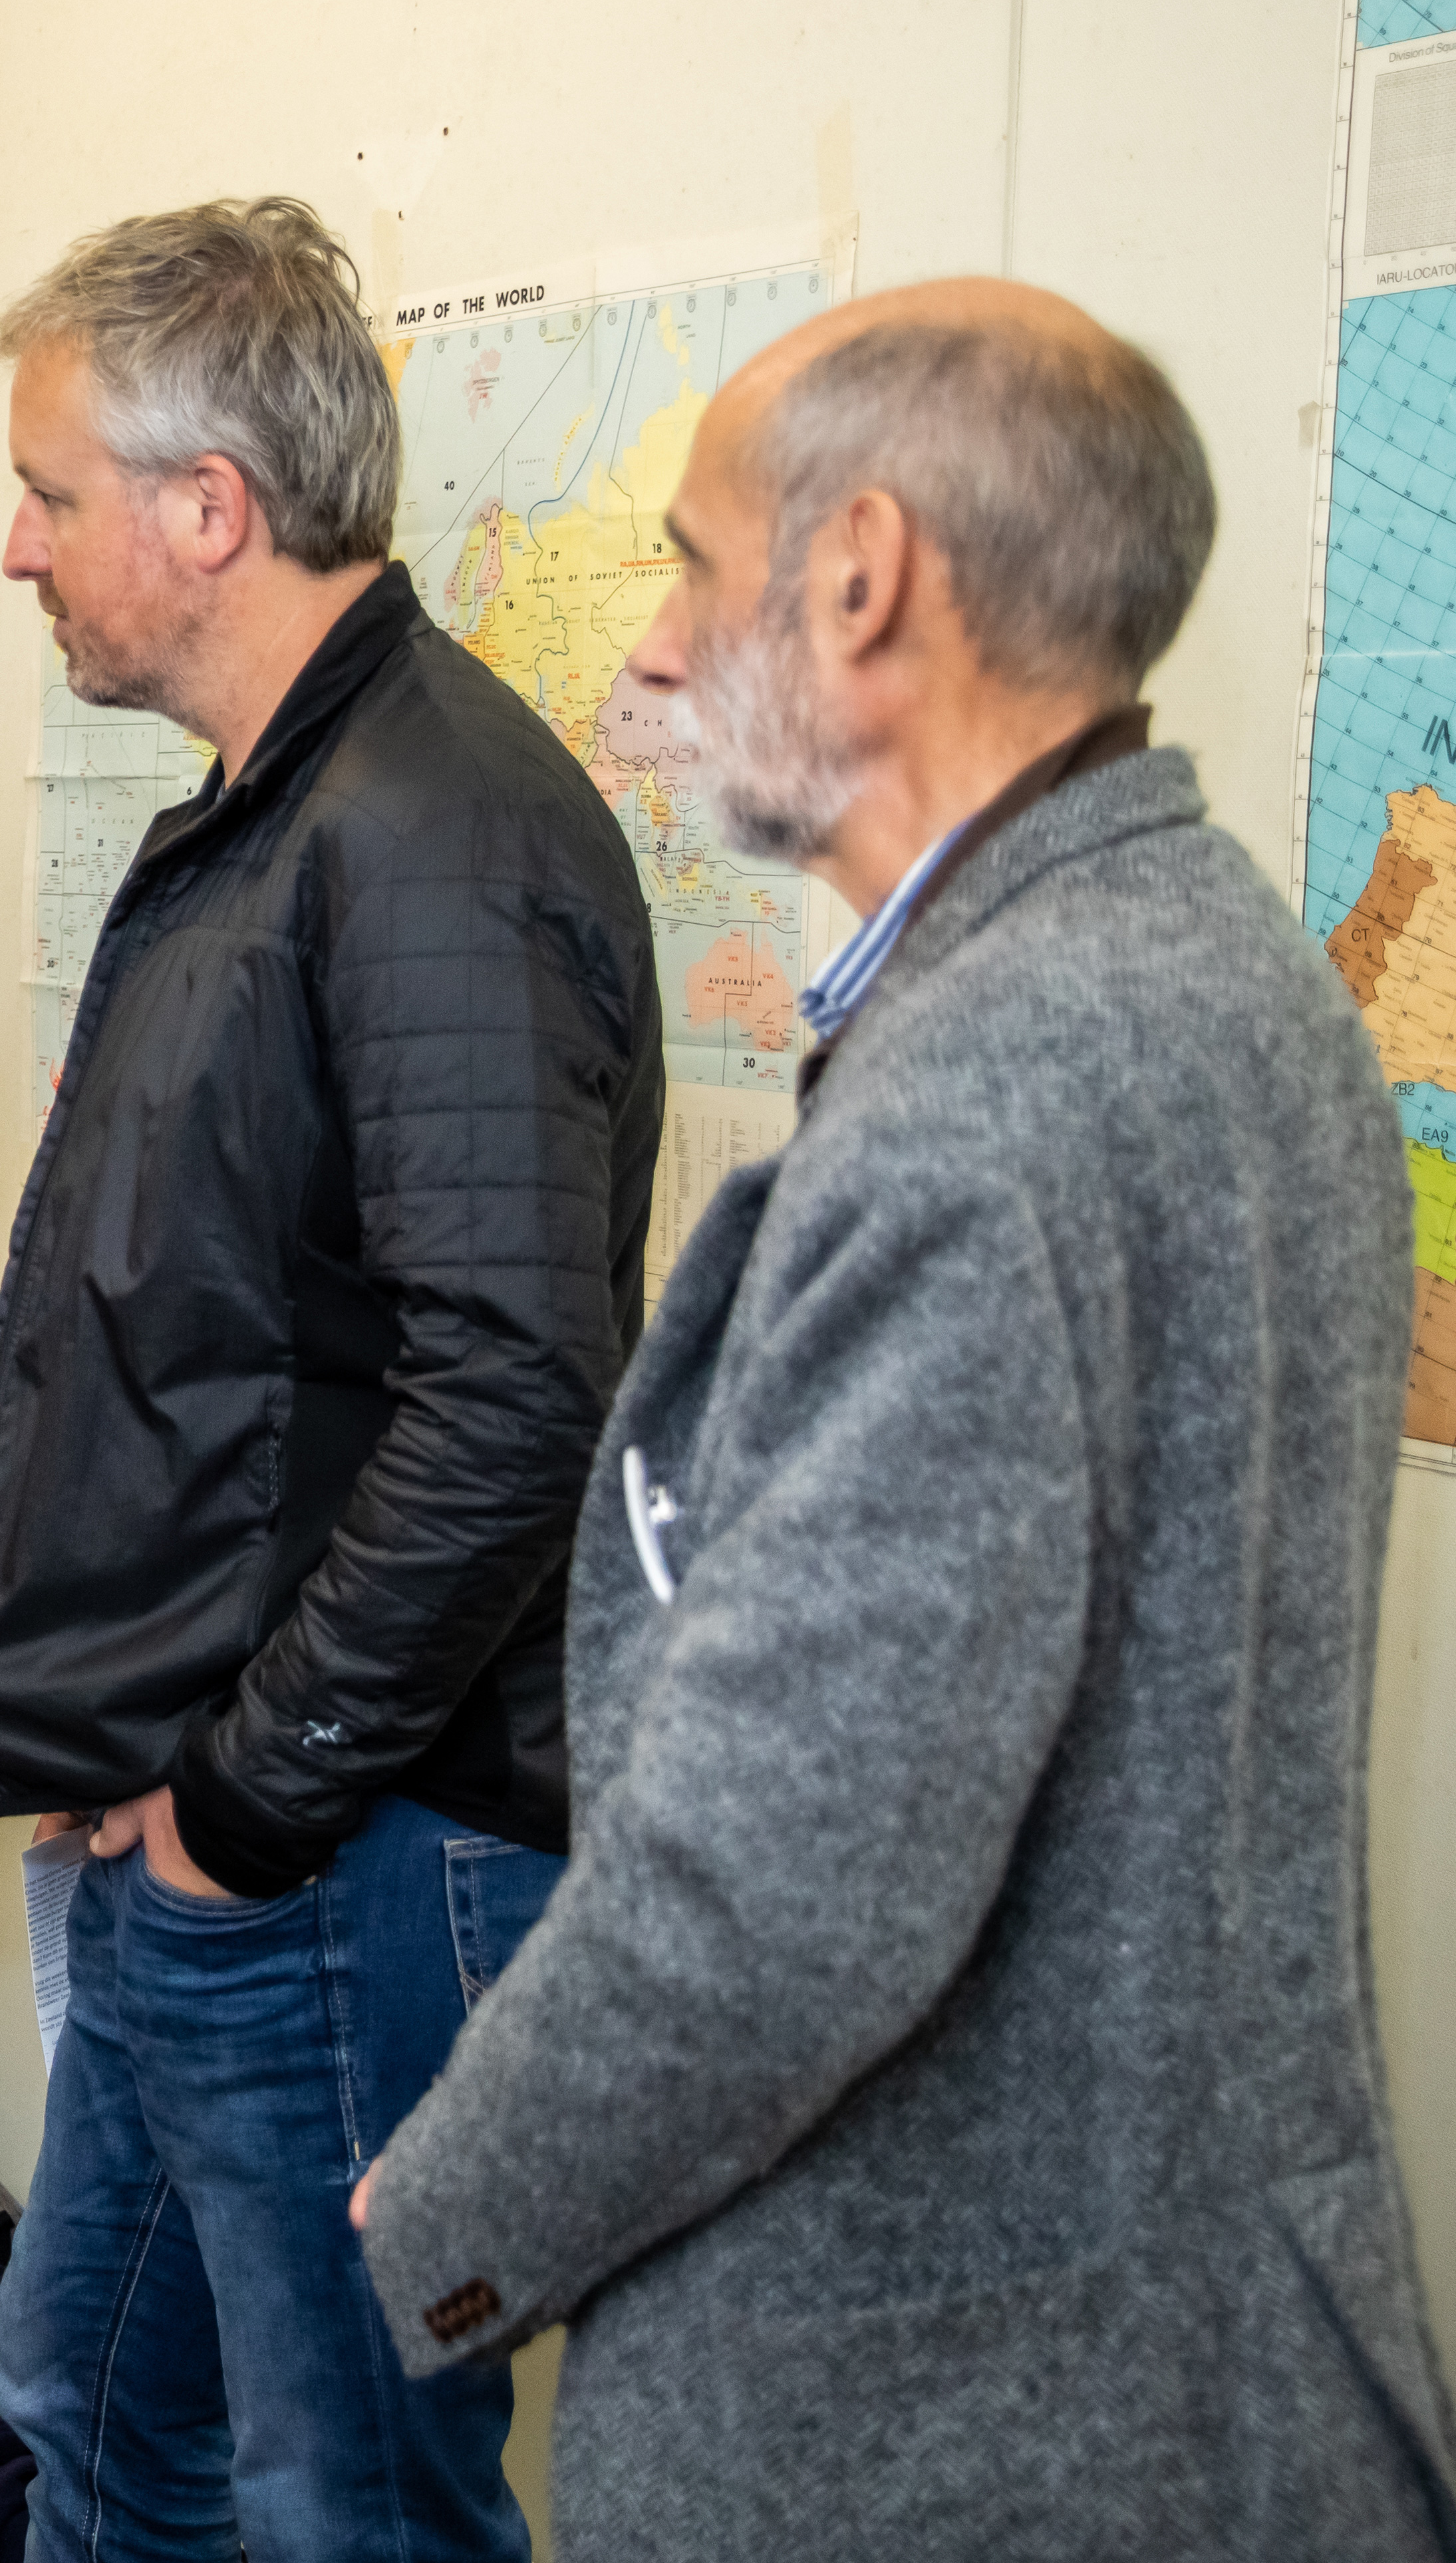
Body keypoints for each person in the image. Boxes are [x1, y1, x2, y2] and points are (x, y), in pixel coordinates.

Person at [352, 284, 1456, 2560]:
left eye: (688, 562)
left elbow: (781, 1892)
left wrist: (442, 2212)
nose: (648, 651)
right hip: (1148, 2377)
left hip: (958, 2426)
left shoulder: (998, 1095)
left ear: (859, 579)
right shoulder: (1219, 975)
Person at [0, 198, 664, 2562]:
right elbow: (230, 1344)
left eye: (47, 491)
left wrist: (238, 1799)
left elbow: (513, 1396)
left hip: (345, 1858)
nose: (10, 544)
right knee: (97, 2406)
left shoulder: (430, 830)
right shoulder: (270, 811)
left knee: (354, 2496)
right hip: (210, 1828)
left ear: (206, 508)